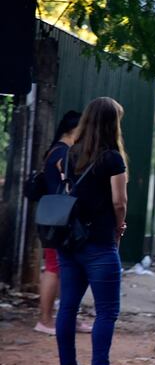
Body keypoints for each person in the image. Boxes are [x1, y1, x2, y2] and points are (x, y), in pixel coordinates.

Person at [55, 97, 132, 365]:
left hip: (70, 242)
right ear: (113, 123)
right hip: (99, 242)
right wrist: (120, 227)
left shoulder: (71, 153)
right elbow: (119, 201)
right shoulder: (112, 158)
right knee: (107, 311)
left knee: (69, 307)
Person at [34, 111, 92, 336]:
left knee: (63, 269)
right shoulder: (62, 153)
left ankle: (65, 317)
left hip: (55, 216)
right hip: (58, 219)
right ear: (74, 129)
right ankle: (45, 320)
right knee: (53, 268)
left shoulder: (55, 150)